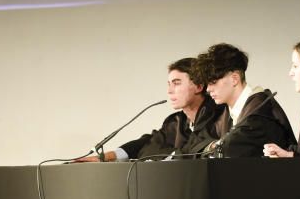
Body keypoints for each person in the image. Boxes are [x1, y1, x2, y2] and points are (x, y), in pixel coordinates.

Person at [80, 57, 225, 161]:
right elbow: (147, 147)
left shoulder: (221, 115)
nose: (169, 90)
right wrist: (107, 157)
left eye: (176, 83)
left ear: (199, 86)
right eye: (168, 84)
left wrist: (171, 155)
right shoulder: (176, 121)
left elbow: (198, 149)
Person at [196, 43, 295, 158]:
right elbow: (195, 144)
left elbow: (228, 149)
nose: (208, 89)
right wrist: (212, 146)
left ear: (234, 79)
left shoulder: (260, 111)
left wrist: (213, 146)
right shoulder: (227, 111)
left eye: (213, 82)